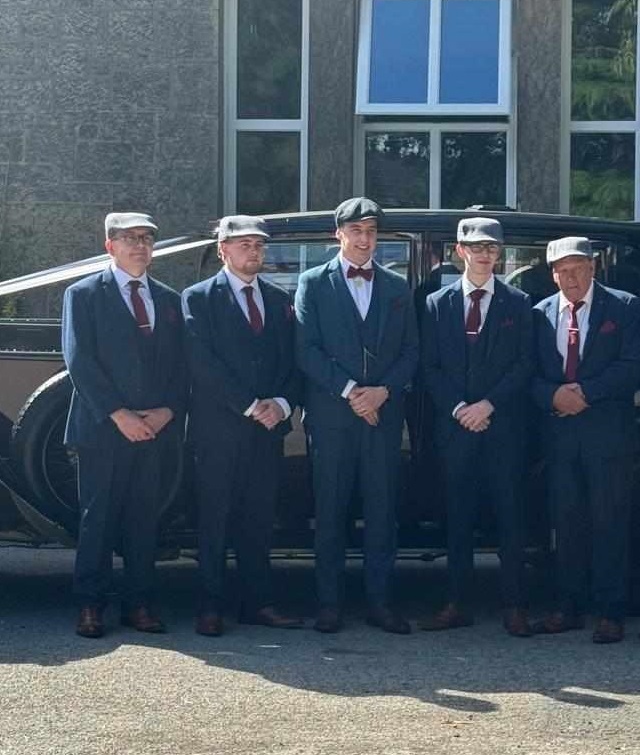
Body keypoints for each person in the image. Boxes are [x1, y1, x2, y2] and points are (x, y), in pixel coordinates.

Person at [295, 198, 419, 635]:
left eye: (371, 231)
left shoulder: (396, 286)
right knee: (330, 510)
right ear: (339, 235)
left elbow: (411, 352)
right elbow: (306, 350)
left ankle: (381, 602)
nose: (365, 239)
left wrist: (382, 392)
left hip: (383, 416)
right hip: (332, 417)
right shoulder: (312, 282)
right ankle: (329, 604)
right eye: (357, 231)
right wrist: (352, 392)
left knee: (382, 510)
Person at [62, 212, 185, 638]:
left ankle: (139, 604)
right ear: (109, 245)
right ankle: (90, 605)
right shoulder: (83, 294)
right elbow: (80, 361)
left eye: (147, 238)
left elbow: (180, 365)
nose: (140, 245)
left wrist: (168, 410)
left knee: (143, 519)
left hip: (153, 429)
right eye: (130, 238)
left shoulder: (169, 299)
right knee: (99, 518)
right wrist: (119, 414)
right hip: (103, 428)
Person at [182, 215, 302, 637]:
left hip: (268, 430)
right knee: (215, 518)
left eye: (259, 245)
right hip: (220, 430)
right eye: (244, 244)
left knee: (259, 519)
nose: (253, 252)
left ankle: (257, 603)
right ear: (223, 250)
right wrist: (251, 405)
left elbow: (293, 362)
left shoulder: (279, 299)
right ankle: (210, 606)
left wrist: (283, 405)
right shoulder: (198, 298)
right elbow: (202, 365)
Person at [419, 218, 533, 637]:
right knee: (458, 518)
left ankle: (515, 605)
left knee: (510, 518)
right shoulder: (436, 303)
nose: (484, 255)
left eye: (492, 249)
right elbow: (429, 367)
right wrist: (459, 408)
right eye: (476, 247)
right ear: (459, 251)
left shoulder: (519, 303)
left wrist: (488, 405)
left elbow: (525, 364)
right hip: (456, 429)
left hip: (503, 429)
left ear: (499, 255)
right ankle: (457, 602)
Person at [530, 237, 640, 643]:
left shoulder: (625, 307)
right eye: (562, 270)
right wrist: (552, 395)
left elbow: (633, 364)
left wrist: (586, 393)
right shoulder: (540, 314)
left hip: (607, 435)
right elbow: (529, 373)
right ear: (552, 274)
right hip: (560, 438)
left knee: (610, 522)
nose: (571, 277)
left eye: (578, 268)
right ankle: (567, 607)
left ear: (593, 268)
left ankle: (611, 611)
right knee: (566, 524)